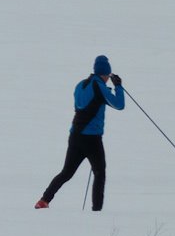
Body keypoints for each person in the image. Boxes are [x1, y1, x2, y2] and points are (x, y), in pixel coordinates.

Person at [35, 55, 124, 211]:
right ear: (105, 74)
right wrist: (118, 87)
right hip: (92, 138)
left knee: (66, 173)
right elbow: (119, 105)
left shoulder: (80, 85)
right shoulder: (100, 86)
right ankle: (97, 211)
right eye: (108, 77)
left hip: (75, 135)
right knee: (99, 172)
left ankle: (44, 200)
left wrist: (104, 92)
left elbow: (84, 104)